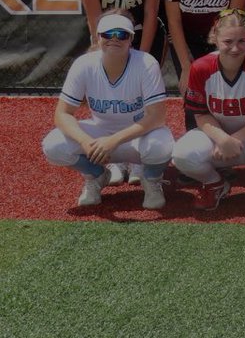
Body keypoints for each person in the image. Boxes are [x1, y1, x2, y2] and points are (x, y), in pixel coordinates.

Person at [41, 12, 173, 210]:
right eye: (107, 34)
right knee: (54, 145)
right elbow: (62, 114)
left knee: (161, 145)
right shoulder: (84, 64)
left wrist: (113, 141)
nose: (114, 39)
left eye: (122, 34)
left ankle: (151, 179)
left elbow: (157, 117)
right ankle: (96, 175)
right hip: (100, 136)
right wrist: (86, 142)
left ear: (131, 39)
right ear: (98, 37)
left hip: (137, 137)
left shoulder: (146, 63)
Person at [172, 8, 245, 212]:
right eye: (228, 41)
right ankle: (213, 183)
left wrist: (234, 139)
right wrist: (222, 139)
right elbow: (200, 114)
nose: (235, 48)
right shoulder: (200, 67)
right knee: (182, 155)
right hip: (219, 138)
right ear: (215, 39)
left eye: (242, 41)